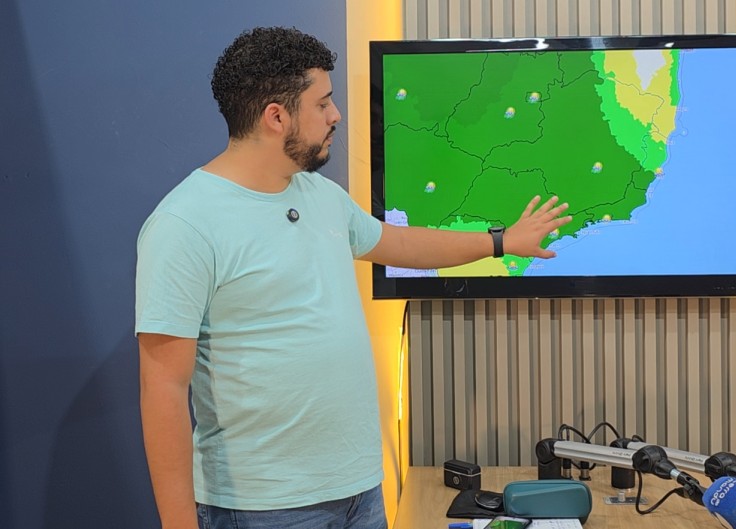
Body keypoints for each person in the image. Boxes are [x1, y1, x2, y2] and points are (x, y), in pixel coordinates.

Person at [136, 26, 571, 529]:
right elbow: (163, 389)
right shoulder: (185, 224)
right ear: (276, 117)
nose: (336, 115)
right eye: (322, 104)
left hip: (359, 493)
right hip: (263, 507)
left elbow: (399, 244)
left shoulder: (320, 195)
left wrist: (500, 241)